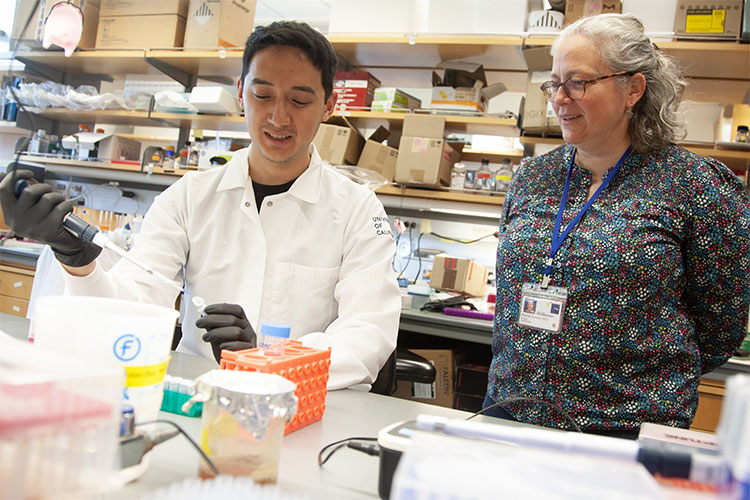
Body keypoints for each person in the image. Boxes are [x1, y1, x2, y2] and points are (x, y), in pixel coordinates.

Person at [0, 21, 401, 391]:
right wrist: (77, 258)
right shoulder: (190, 196)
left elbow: (367, 335)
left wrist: (270, 359)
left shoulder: (358, 211)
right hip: (198, 398)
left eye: (299, 100)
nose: (279, 117)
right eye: (262, 95)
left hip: (304, 405)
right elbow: (133, 305)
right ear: (241, 92)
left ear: (329, 106)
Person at [484, 14, 750, 438]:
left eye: (578, 82)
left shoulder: (696, 187)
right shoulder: (532, 178)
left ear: (633, 89)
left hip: (624, 428)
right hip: (511, 410)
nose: (560, 98)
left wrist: (637, 375)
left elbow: (722, 325)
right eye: (554, 83)